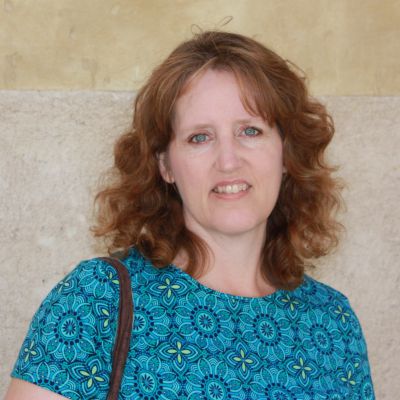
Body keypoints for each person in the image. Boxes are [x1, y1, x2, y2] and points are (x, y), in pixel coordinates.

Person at [6, 30, 375, 399]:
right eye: (200, 137)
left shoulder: (332, 322)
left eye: (250, 131)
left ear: (286, 153)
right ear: (165, 164)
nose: (228, 161)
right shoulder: (96, 300)